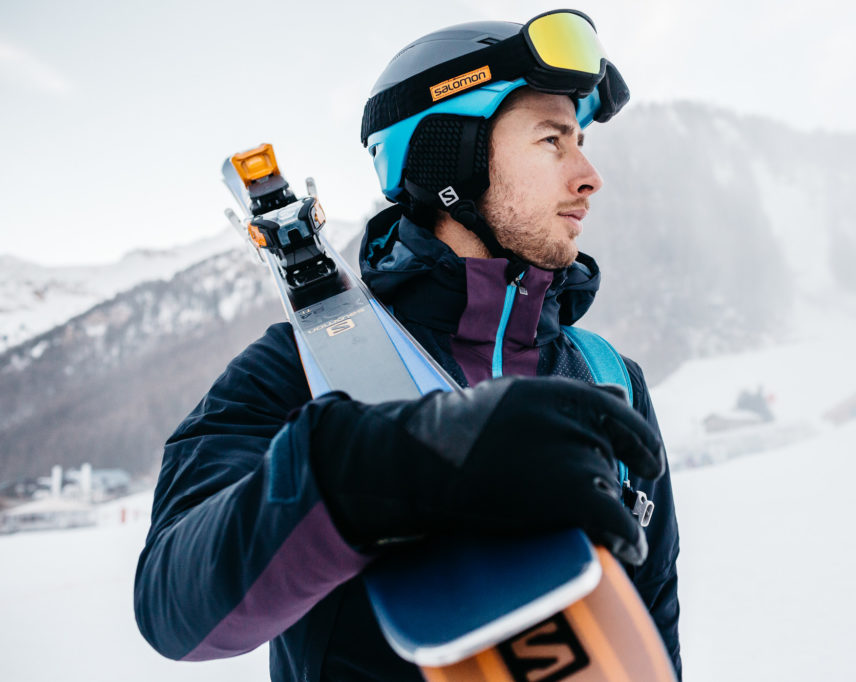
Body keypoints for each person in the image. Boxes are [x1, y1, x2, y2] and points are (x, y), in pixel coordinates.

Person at [135, 10, 681, 681]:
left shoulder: (608, 379)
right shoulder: (297, 370)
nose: (588, 174)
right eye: (552, 141)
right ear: (449, 157)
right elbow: (174, 604)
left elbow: (654, 619)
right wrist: (389, 467)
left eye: (580, 141)